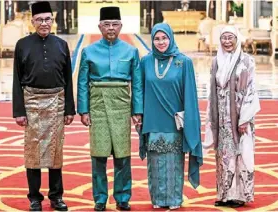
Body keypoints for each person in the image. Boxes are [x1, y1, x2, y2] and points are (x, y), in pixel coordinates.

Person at [77, 6, 143, 211]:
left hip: (122, 104)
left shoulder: (131, 51)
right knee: (98, 154)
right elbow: (82, 82)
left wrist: (137, 110)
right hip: (97, 104)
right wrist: (84, 110)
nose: (111, 28)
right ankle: (100, 198)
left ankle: (123, 197)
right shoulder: (89, 51)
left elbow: (138, 84)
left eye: (115, 24)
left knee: (122, 154)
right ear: (100, 26)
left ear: (121, 25)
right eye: (107, 24)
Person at [12, 1, 75, 211]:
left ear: (53, 20)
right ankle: (34, 197)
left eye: (48, 19)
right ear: (32, 21)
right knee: (33, 150)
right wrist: (19, 111)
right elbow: (17, 79)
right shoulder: (22, 44)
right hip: (31, 102)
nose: (44, 23)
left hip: (57, 101)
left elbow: (68, 79)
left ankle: (56, 196)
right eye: (39, 19)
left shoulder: (61, 44)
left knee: (56, 151)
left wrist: (69, 109)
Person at [139, 23, 203, 209]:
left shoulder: (184, 62)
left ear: (171, 38)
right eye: (157, 39)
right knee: (155, 163)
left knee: (174, 164)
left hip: (175, 123)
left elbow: (190, 95)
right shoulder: (146, 61)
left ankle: (174, 199)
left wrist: (191, 122)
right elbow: (140, 91)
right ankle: (158, 199)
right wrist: (138, 115)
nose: (161, 42)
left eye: (164, 38)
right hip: (152, 121)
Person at [203, 26, 260, 208]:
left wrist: (244, 118)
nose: (227, 41)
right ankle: (224, 194)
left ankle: (239, 195)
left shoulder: (246, 61)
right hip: (221, 117)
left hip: (239, 117)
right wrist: (211, 117)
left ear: (237, 39)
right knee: (223, 155)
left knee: (240, 153)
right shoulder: (216, 61)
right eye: (224, 38)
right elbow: (212, 90)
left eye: (230, 37)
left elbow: (251, 90)